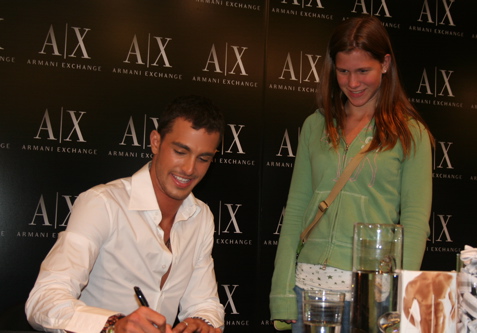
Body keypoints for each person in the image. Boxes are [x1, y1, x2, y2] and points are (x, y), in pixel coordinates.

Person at [270, 15, 434, 333]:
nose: (353, 83)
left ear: (385, 64)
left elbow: (414, 226)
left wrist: (396, 304)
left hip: (370, 299)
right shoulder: (315, 126)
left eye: (363, 71)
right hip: (308, 292)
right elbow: (295, 212)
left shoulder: (411, 134)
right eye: (344, 71)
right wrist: (281, 293)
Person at [26, 95, 225, 333]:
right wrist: (113, 325)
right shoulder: (104, 203)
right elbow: (44, 300)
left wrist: (202, 323)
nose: (190, 169)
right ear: (155, 142)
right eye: (180, 151)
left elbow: (204, 303)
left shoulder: (201, 217)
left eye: (203, 158)